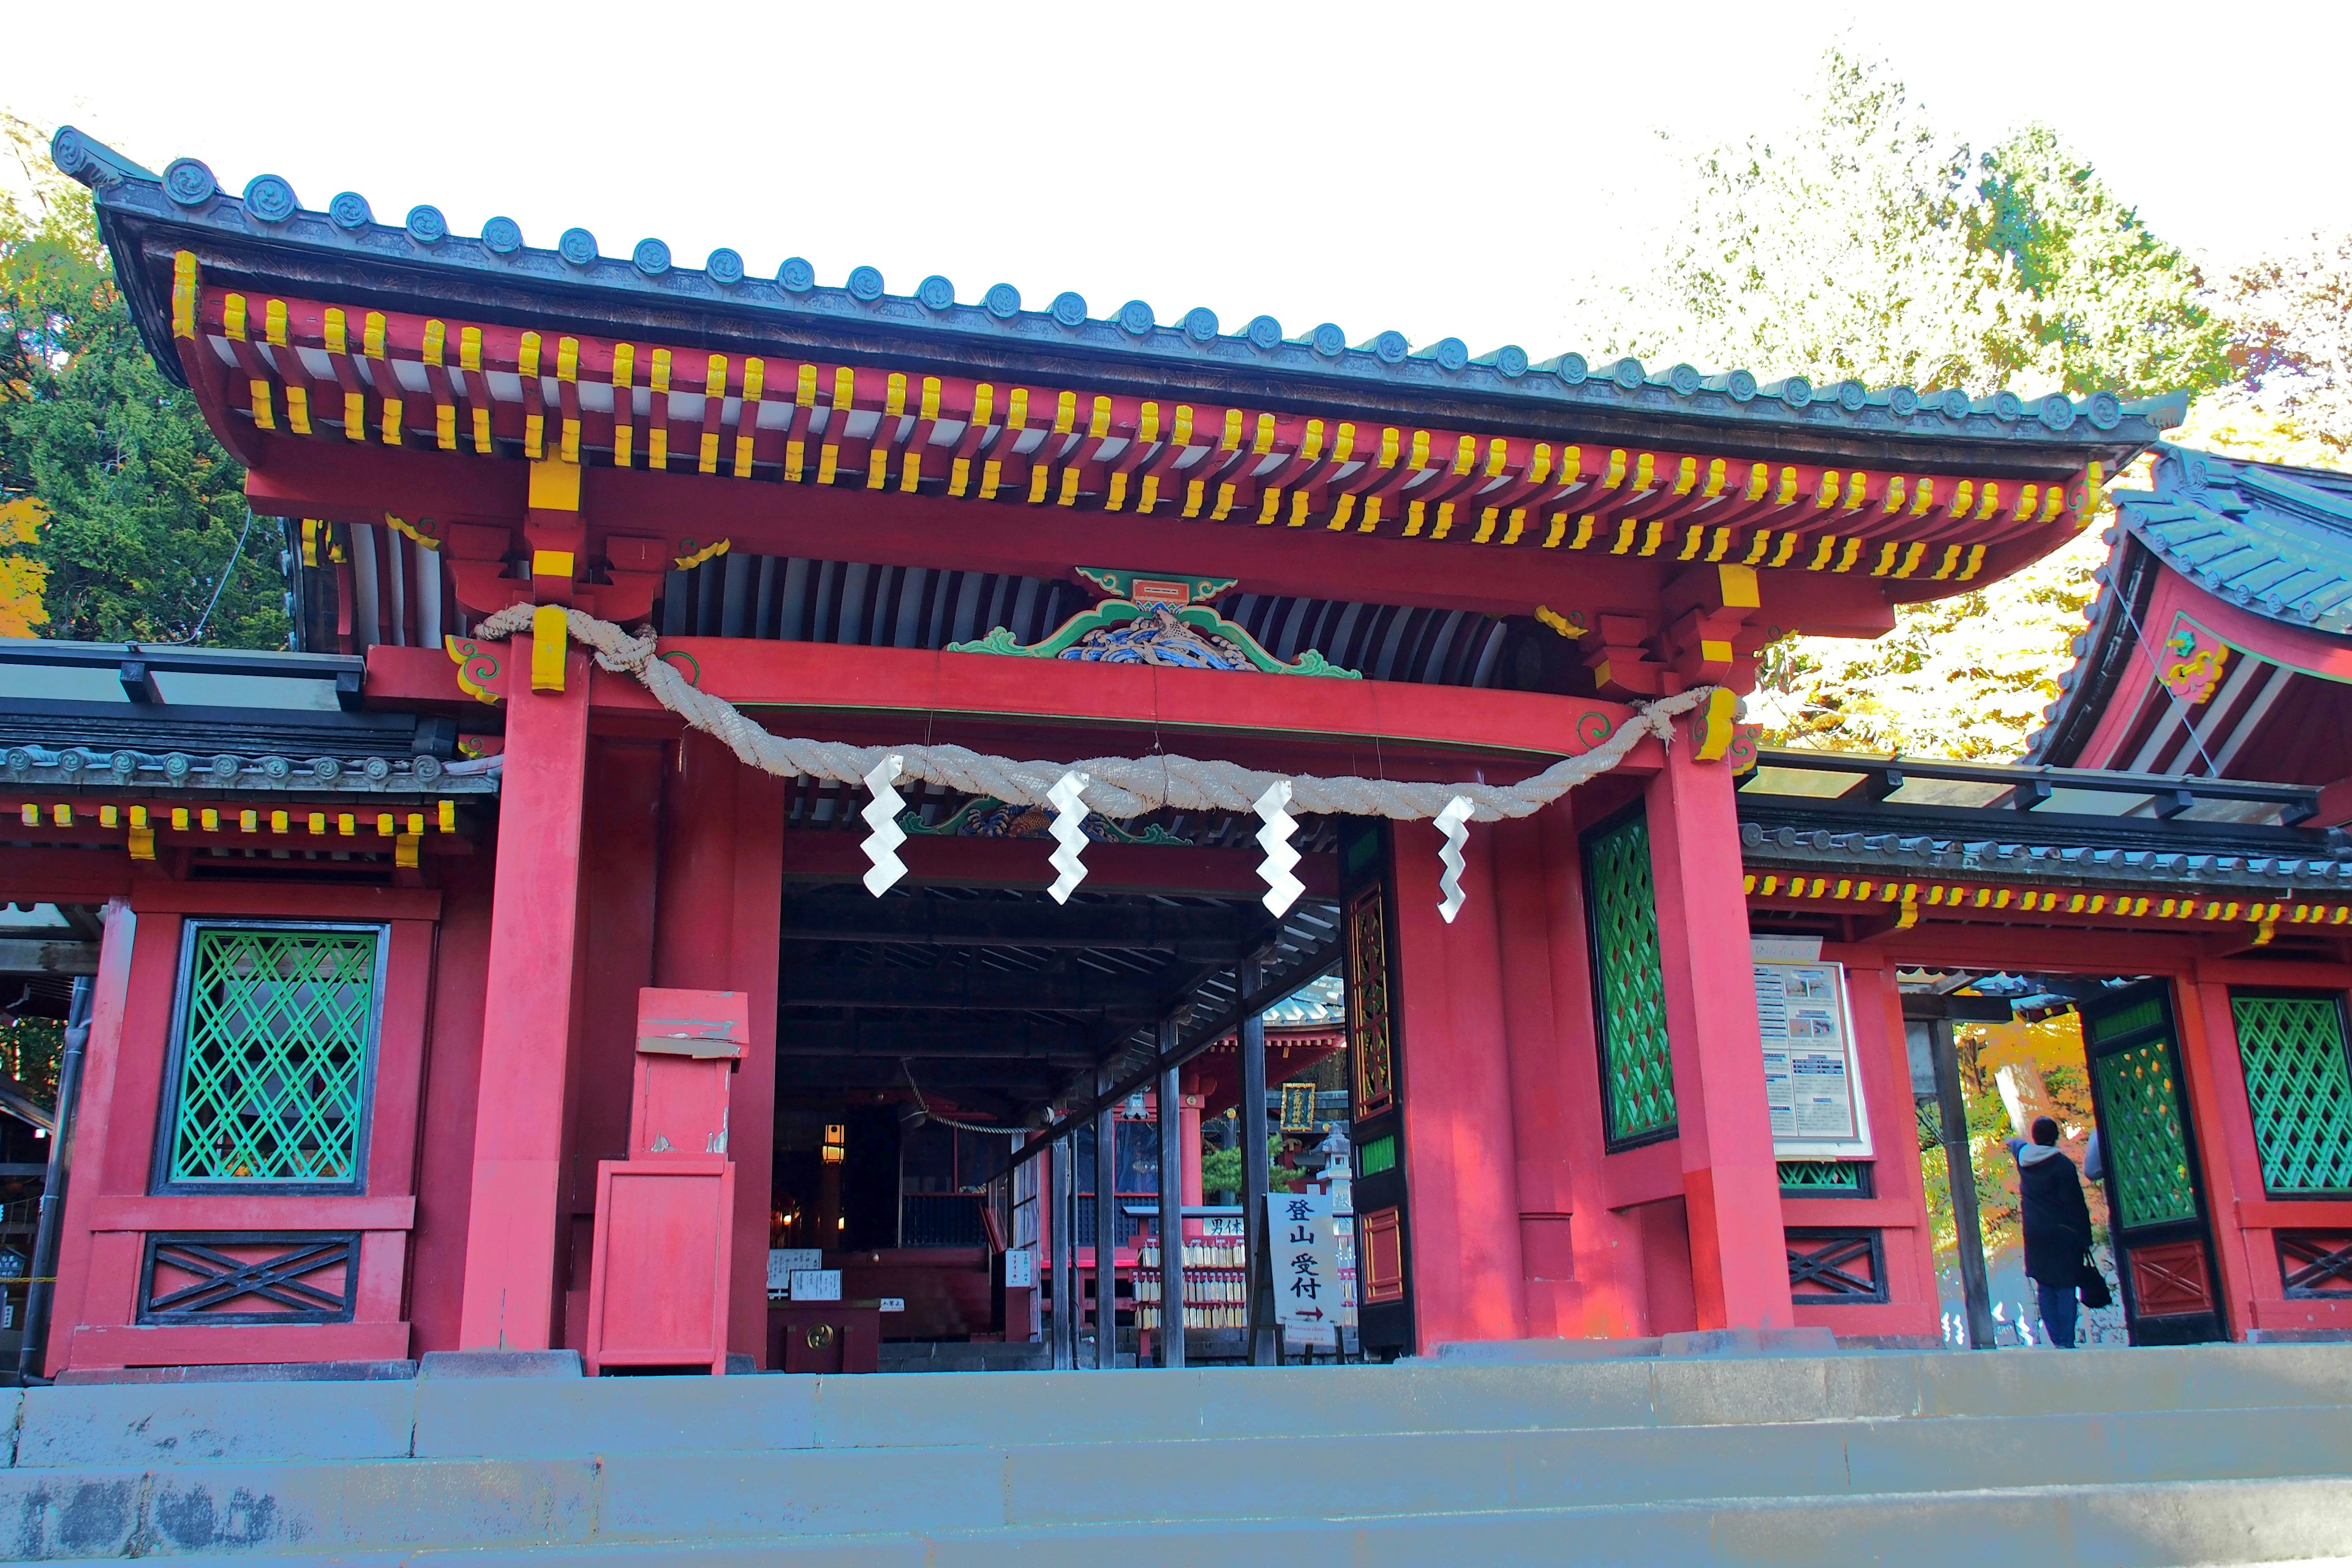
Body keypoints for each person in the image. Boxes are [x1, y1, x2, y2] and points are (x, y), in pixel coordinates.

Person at [2008, 1116, 2093, 1349]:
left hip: (2035, 1234)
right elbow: (2075, 1204)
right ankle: (2066, 1339)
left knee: (2045, 1286)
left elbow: (2015, 1144)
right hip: (2063, 1233)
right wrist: (2085, 1238)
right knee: (2065, 1286)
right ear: (2055, 1137)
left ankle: (2056, 1339)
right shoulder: (2063, 1166)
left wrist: (2010, 1140)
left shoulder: (2024, 1161)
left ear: (2034, 1137)